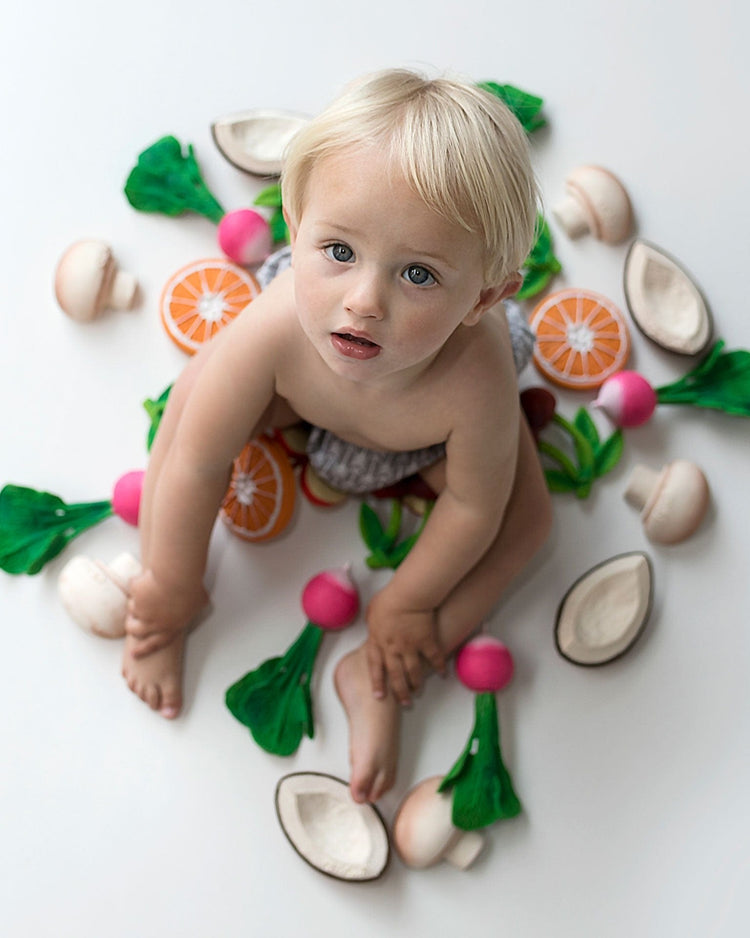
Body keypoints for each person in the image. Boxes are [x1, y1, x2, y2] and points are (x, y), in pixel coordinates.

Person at [122, 68, 552, 804]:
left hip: (423, 437)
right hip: (296, 397)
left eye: (418, 273)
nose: (362, 301)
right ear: (296, 221)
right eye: (340, 251)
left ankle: (385, 665)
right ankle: (175, 598)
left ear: (483, 296)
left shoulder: (474, 378)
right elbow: (200, 460)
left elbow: (473, 509)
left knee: (529, 522)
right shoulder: (283, 323)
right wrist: (171, 575)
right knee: (196, 401)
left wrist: (407, 600)